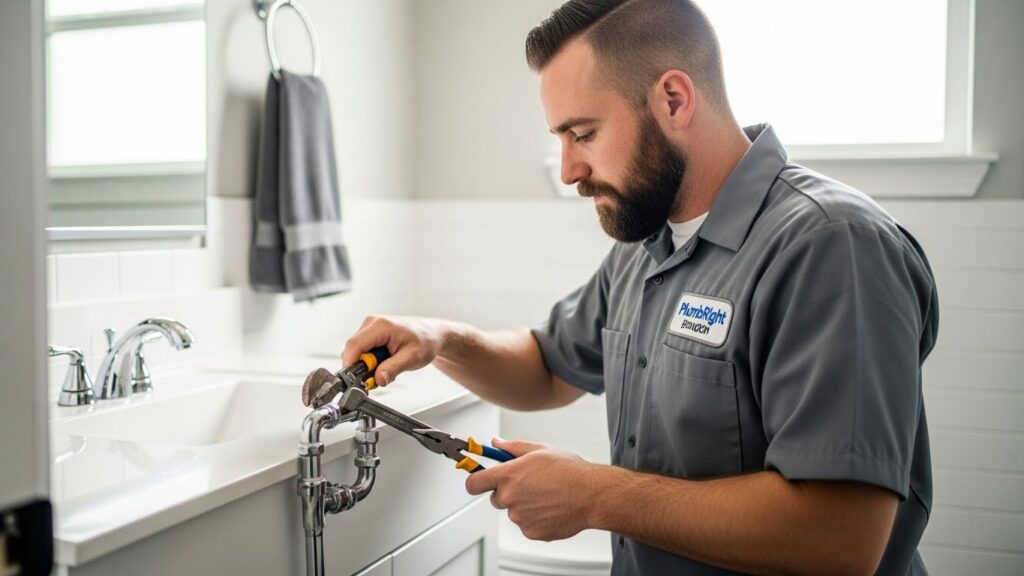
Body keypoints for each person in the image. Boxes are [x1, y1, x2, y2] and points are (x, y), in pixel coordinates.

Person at [342, 0, 939, 574]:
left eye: (583, 133)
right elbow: (549, 368)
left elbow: (840, 540)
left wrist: (595, 495)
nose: (570, 169)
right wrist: (440, 338)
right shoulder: (646, 246)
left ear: (673, 100)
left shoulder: (832, 246)